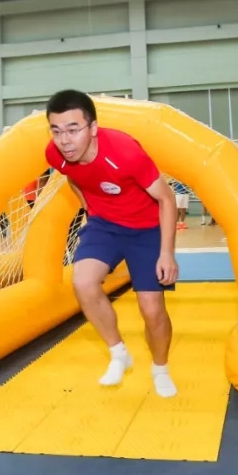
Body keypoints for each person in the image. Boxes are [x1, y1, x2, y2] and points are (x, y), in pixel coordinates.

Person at [44, 90, 181, 397]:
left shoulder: (125, 152)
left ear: (93, 127)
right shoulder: (56, 155)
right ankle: (119, 352)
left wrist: (167, 253)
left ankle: (160, 368)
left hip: (146, 229)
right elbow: (73, 177)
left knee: (152, 310)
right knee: (83, 282)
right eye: (56, 131)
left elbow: (166, 199)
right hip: (105, 225)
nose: (64, 140)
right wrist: (89, 208)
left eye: (73, 129)